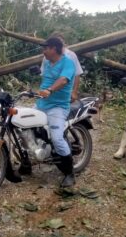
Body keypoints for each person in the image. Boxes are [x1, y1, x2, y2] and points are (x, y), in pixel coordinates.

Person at [36, 36, 77, 187]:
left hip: (58, 107)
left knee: (57, 139)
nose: (43, 51)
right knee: (25, 127)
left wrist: (50, 90)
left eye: (45, 48)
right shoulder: (46, 62)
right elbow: (45, 79)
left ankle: (69, 173)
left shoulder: (68, 62)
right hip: (41, 104)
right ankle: (28, 162)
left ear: (54, 48)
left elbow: (64, 80)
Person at [40, 33, 83, 102]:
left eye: (61, 43)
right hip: (48, 94)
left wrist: (74, 92)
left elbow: (76, 74)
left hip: (63, 94)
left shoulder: (71, 56)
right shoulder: (46, 58)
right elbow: (44, 75)